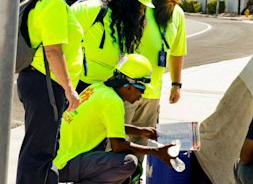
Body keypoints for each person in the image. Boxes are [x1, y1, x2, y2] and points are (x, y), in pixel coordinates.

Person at [16, 0, 95, 183]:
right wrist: (70, 89)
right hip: (46, 83)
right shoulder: (54, 4)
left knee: (45, 148)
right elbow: (53, 51)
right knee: (40, 151)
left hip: (44, 83)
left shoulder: (51, 0)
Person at [54, 54, 177, 183]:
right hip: (65, 164)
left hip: (59, 158)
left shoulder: (98, 88)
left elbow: (111, 126)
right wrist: (157, 152)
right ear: (128, 85)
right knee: (128, 163)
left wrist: (140, 131)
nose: (141, 95)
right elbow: (118, 145)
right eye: (141, 89)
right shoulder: (113, 102)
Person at [125, 0, 192, 136]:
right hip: (127, 89)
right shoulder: (140, 6)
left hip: (153, 93)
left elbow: (177, 51)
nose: (176, 0)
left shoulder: (178, 14)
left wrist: (176, 84)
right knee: (116, 144)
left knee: (142, 143)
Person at [71, 0, 154, 93]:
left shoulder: (128, 27)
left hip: (106, 90)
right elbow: (60, 35)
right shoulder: (92, 9)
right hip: (77, 87)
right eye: (141, 7)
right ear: (130, 3)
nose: (142, 12)